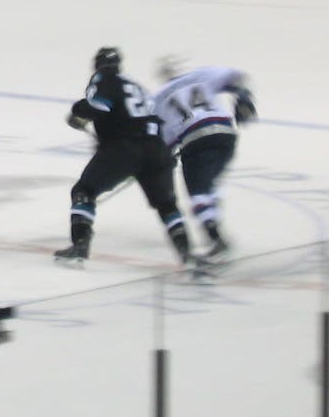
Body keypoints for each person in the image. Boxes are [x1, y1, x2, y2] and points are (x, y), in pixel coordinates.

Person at [55, 48, 198, 270]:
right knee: (167, 205)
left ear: (97, 65)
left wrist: (77, 112)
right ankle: (187, 254)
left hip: (123, 148)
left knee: (84, 191)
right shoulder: (137, 86)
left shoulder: (104, 79)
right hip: (156, 148)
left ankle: (80, 247)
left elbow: (98, 106)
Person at [151, 57, 257, 258]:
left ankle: (215, 236)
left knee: (198, 191)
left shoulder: (159, 98)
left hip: (196, 139)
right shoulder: (203, 74)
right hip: (225, 135)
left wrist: (163, 158)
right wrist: (244, 99)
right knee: (210, 185)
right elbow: (239, 78)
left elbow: (163, 140)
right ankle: (215, 227)